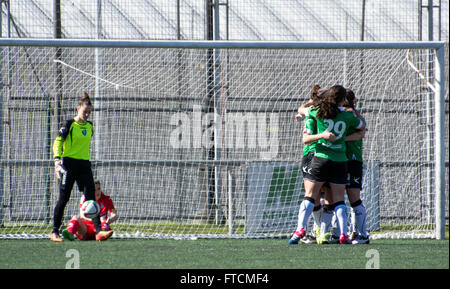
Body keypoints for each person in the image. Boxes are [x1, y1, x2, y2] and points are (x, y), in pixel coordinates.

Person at [288, 85, 365, 245]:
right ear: (343, 100)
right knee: (338, 200)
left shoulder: (318, 112)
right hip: (340, 160)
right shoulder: (347, 115)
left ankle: (300, 229)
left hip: (320, 158)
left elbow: (302, 110)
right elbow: (361, 127)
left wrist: (306, 110)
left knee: (310, 196)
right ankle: (343, 233)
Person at [51, 92, 113, 242]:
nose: (87, 115)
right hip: (68, 164)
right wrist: (57, 161)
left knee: (91, 198)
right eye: (85, 111)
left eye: (89, 112)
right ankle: (54, 232)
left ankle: (99, 232)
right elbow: (58, 142)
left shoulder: (90, 126)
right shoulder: (69, 124)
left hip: (84, 165)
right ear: (78, 108)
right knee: (64, 198)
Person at [342, 89, 369, 244]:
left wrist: (342, 139)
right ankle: (338, 233)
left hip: (352, 161)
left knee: (354, 198)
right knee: (335, 200)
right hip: (337, 160)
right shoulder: (340, 114)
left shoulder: (355, 115)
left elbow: (362, 132)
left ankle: (362, 234)